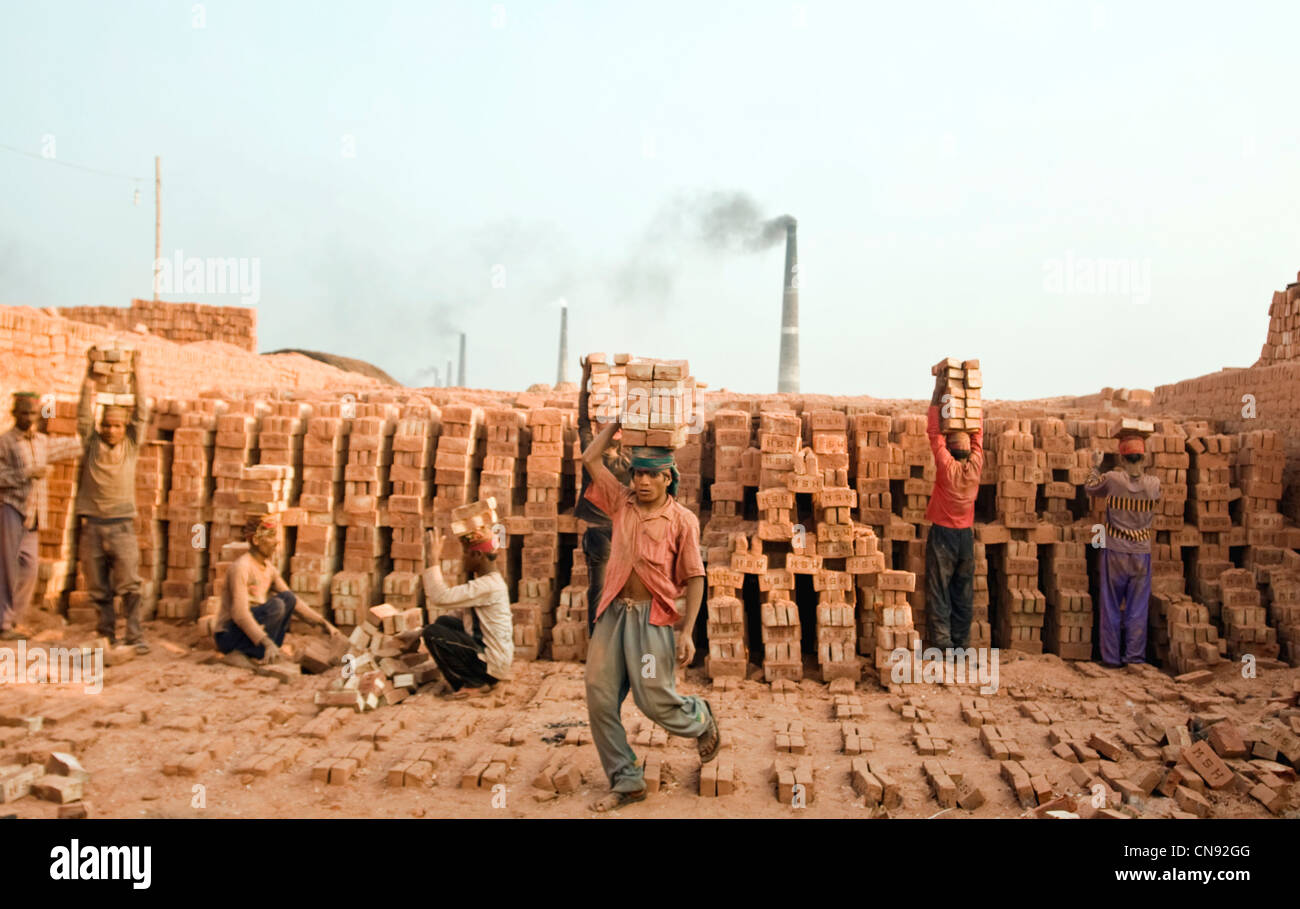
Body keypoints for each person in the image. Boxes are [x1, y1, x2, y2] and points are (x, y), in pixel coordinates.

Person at [580, 420, 718, 812]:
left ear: (667, 479)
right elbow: (590, 458)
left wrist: (687, 632)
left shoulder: (682, 521)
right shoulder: (620, 501)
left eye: (651, 476)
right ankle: (626, 779)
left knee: (652, 698)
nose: (642, 482)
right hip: (612, 616)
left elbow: (695, 577)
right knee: (599, 696)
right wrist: (618, 426)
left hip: (652, 619)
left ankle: (700, 719)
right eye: (638, 473)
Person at [74, 352, 151, 653]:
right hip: (92, 525)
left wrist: (136, 371)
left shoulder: (131, 446)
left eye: (116, 426)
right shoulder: (91, 444)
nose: (110, 430)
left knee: (130, 586)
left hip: (121, 527)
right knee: (98, 588)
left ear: (124, 428)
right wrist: (88, 374)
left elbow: (142, 411)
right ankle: (106, 634)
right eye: (106, 425)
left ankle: (135, 635)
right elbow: (83, 412)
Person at [0, 392, 84, 640]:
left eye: (33, 413)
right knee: (6, 567)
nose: (29, 417)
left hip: (34, 514)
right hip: (11, 508)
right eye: (24, 412)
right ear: (15, 413)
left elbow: (68, 446)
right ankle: (3, 625)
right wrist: (26, 474)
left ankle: (13, 619)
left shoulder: (41, 441)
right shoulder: (5, 442)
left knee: (29, 568)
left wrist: (90, 434)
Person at [214, 514, 346, 664]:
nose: (276, 542)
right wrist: (267, 641)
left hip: (251, 631)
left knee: (287, 598)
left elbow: (294, 602)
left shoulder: (268, 568)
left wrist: (324, 624)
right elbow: (240, 614)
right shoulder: (242, 567)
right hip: (229, 635)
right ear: (256, 540)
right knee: (277, 605)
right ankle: (244, 652)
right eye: (271, 536)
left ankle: (259, 651)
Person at [1085, 430, 1161, 667]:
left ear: (1121, 459)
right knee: (1137, 609)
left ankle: (1111, 659)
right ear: (1144, 458)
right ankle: (1134, 658)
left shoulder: (1113, 480)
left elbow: (1090, 488)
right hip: (1141, 553)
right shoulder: (1154, 484)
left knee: (1111, 606)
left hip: (1116, 552)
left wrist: (1095, 466)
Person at [924, 371, 985, 651]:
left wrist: (938, 390)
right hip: (965, 540)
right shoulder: (975, 467)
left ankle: (943, 644)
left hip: (944, 537)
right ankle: (962, 644)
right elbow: (979, 436)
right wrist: (971, 399)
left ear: (949, 448)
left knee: (939, 591)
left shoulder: (946, 469)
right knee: (963, 593)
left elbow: (934, 432)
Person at [420, 525, 513, 698]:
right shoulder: (488, 583)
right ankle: (476, 677)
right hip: (493, 659)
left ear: (478, 555)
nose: (462, 558)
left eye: (465, 553)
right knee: (443, 623)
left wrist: (432, 560)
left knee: (432, 633)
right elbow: (459, 615)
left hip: (490, 665)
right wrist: (414, 632)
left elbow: (440, 597)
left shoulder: (488, 586)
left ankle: (474, 682)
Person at [576, 356, 632, 638]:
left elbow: (582, 421)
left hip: (599, 533)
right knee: (618, 588)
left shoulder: (590, 455)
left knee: (598, 588)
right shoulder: (628, 464)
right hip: (619, 532)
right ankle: (614, 639)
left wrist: (586, 378)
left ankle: (598, 639)